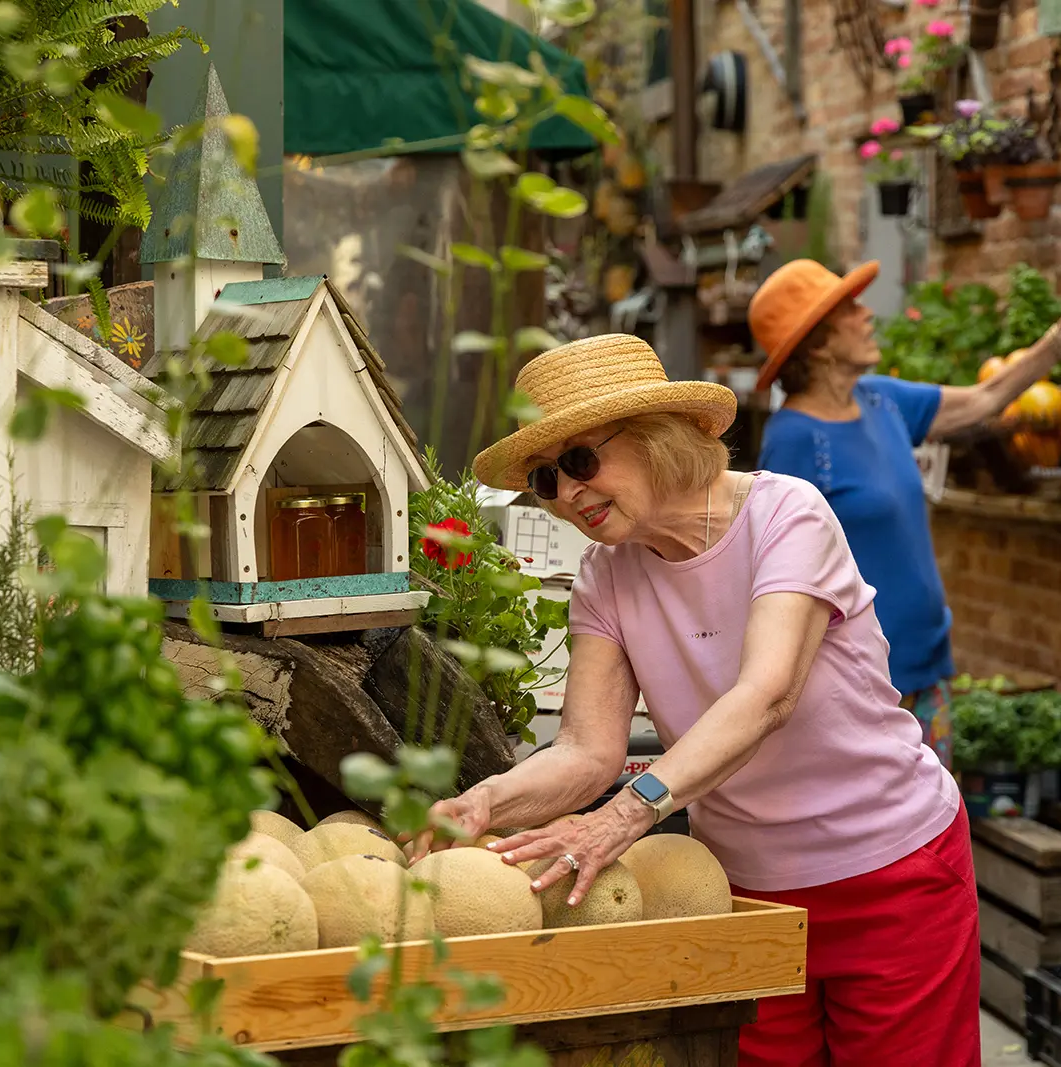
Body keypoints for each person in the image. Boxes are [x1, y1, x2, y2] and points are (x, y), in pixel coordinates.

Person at [405, 333, 981, 1067]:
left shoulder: (787, 516)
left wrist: (626, 812)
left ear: (656, 438)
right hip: (742, 892)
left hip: (891, 872)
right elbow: (588, 750)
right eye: (547, 478)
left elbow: (766, 694)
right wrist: (485, 801)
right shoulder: (605, 577)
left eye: (581, 460)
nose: (568, 491)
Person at [748, 259, 1061, 769]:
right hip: (857, 687)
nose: (869, 316)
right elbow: (777, 580)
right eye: (851, 309)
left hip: (927, 665)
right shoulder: (793, 440)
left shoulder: (881, 400)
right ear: (818, 344)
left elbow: (989, 396)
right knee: (881, 840)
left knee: (932, 830)